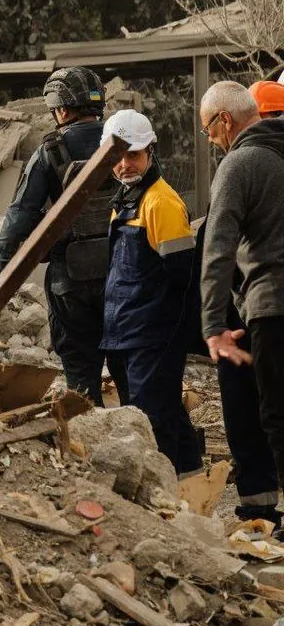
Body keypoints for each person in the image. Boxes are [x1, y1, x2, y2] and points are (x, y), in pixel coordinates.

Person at [0, 67, 119, 404]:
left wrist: (0, 273)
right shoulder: (124, 143)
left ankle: (85, 439)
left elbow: (18, 219)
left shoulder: (49, 151)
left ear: (61, 109)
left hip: (71, 284)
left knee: (80, 374)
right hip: (122, 277)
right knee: (129, 369)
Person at [99, 110, 201, 476]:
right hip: (127, 332)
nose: (125, 164)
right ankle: (190, 483)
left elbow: (182, 277)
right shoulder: (127, 200)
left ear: (150, 152)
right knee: (163, 412)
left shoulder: (162, 203)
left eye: (134, 155)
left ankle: (166, 497)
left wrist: (163, 333)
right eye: (118, 157)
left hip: (152, 333)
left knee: (152, 419)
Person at [201, 80, 284, 504]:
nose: (213, 142)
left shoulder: (239, 165)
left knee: (276, 416)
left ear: (225, 120)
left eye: (210, 132)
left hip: (272, 307)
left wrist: (214, 326)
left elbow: (217, 252)